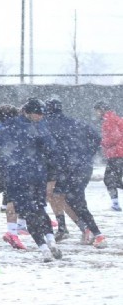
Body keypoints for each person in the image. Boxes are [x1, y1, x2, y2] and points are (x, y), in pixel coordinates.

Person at [0, 98, 62, 262]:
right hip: (36, 174)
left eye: (42, 114)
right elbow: (51, 150)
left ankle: (45, 249)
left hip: (18, 176)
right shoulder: (38, 129)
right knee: (39, 209)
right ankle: (50, 243)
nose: (41, 117)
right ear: (27, 113)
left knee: (30, 213)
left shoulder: (10, 128)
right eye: (38, 114)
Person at [44, 98, 106, 248]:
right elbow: (97, 138)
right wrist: (87, 154)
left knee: (69, 199)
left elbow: (44, 147)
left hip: (64, 168)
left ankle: (95, 233)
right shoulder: (76, 122)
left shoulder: (45, 125)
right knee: (69, 198)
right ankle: (78, 229)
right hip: (83, 166)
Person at [93, 101, 123, 212]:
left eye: (96, 111)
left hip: (117, 154)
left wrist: (102, 143)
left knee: (109, 180)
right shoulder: (115, 118)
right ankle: (115, 204)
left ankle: (115, 205)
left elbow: (115, 136)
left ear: (101, 110)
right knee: (116, 181)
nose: (96, 114)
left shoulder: (108, 120)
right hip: (119, 154)